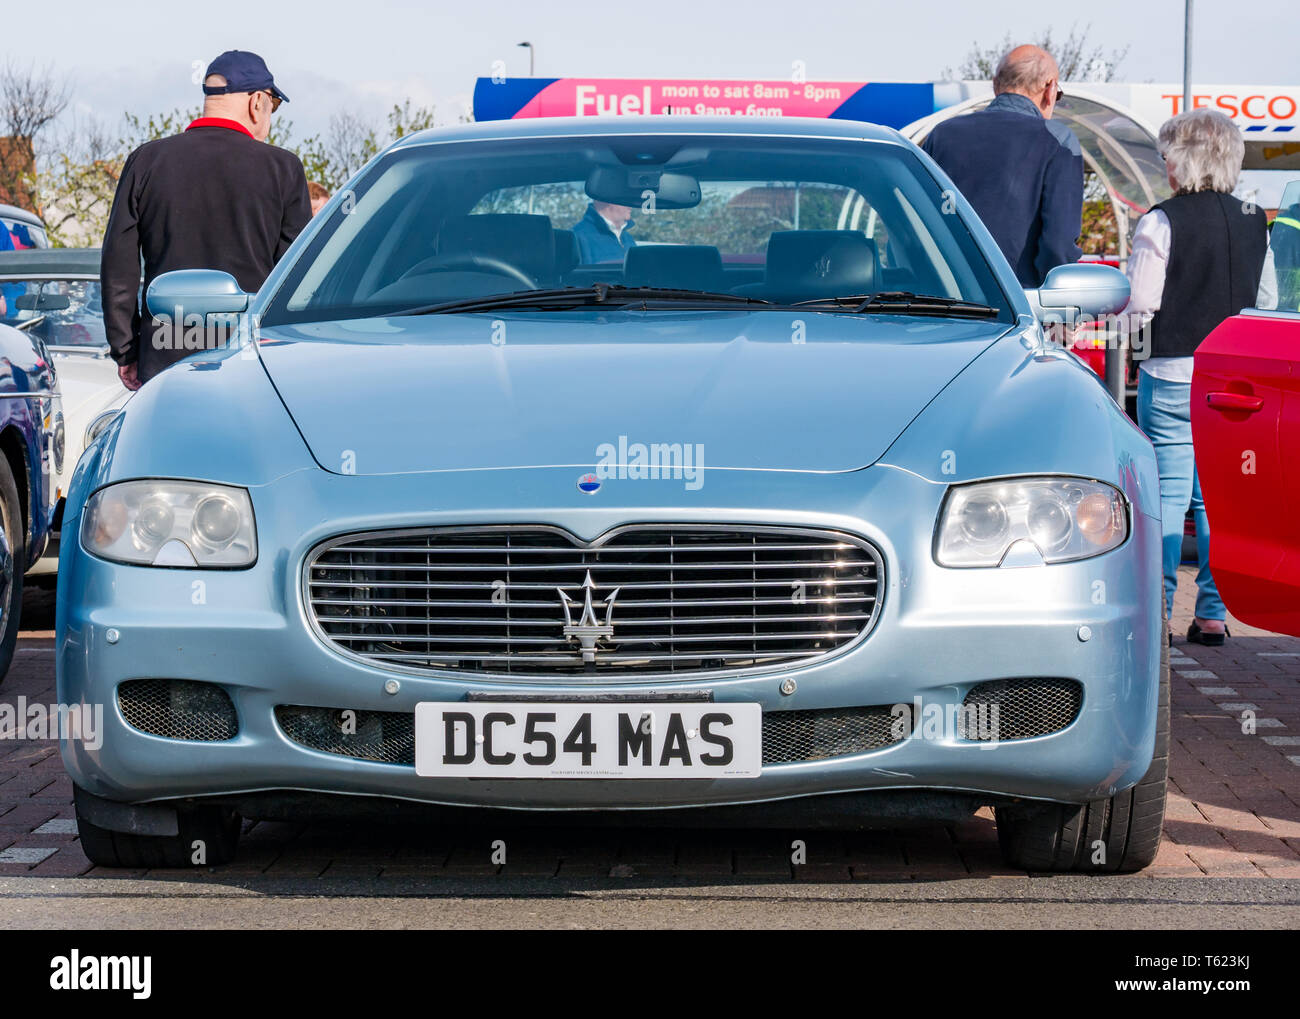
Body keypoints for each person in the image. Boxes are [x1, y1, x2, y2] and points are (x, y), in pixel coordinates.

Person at [1122, 108, 1269, 647]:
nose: (1164, 165)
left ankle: (1158, 612)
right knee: (1216, 501)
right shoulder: (1255, 218)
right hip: (1236, 383)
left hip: (1173, 372)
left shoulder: (1162, 221)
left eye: (1166, 155)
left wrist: (1116, 336)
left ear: (1184, 159)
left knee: (1167, 496)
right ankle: (1211, 613)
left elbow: (1139, 307)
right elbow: (1267, 303)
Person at [101, 50, 311, 390]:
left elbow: (118, 266)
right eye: (274, 104)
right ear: (258, 102)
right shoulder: (283, 169)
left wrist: (125, 350)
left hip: (164, 354)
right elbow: (296, 276)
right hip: (252, 356)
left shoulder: (146, 161)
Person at [922, 45, 1083, 287]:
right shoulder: (1057, 141)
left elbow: (917, 217)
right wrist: (1058, 306)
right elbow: (1058, 245)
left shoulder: (942, 134)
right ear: (1049, 89)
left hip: (939, 300)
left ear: (996, 84)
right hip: (1017, 307)